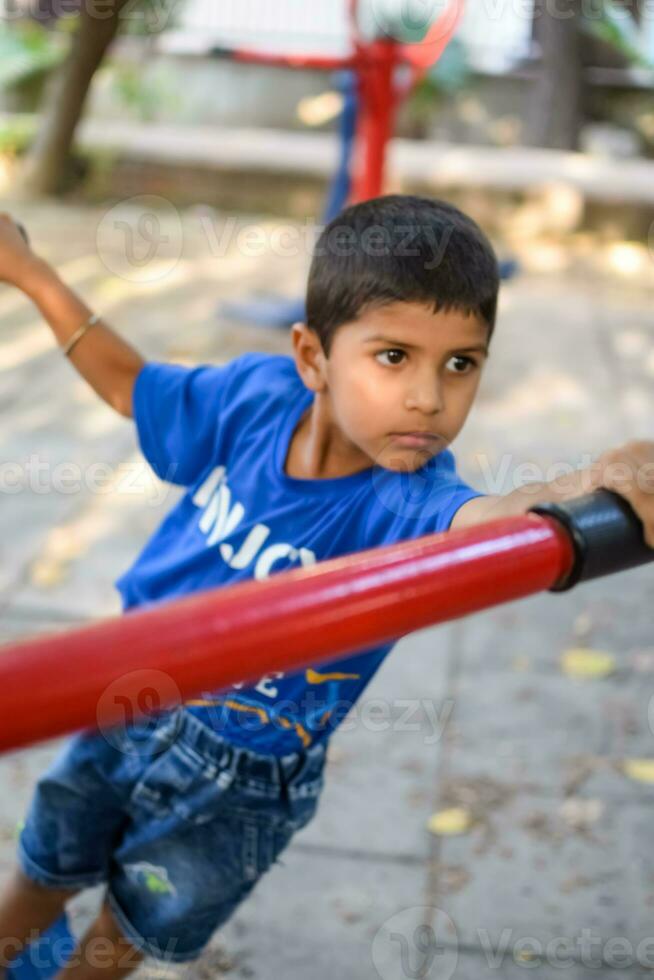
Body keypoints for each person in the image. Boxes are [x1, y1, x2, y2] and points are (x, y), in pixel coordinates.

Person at [0, 194, 652, 978]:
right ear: (312, 358)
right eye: (392, 357)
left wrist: (589, 484)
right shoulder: (253, 400)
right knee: (42, 868)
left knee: (123, 933)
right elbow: (131, 384)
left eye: (460, 364)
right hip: (124, 700)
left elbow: (494, 520)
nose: (428, 398)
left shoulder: (409, 500)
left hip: (241, 781)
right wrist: (32, 273)